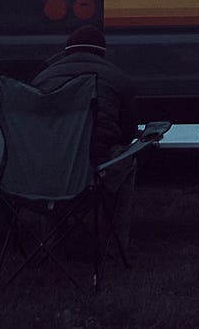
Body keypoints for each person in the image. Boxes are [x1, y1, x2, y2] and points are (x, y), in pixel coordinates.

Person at [32, 24, 140, 252]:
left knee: (50, 155)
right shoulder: (118, 78)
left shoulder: (41, 79)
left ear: (66, 51)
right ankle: (113, 246)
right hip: (93, 172)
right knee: (126, 159)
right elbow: (128, 134)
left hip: (44, 174)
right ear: (102, 52)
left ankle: (51, 243)